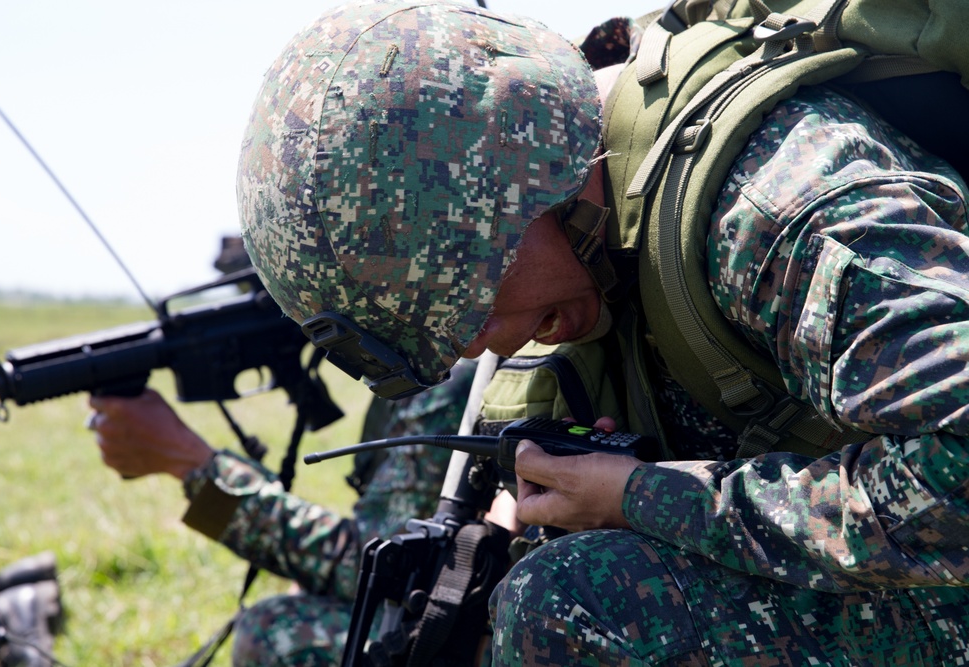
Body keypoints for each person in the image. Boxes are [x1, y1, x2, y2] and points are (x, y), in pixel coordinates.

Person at [233, 0, 969, 665]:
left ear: (519, 187)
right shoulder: (601, 227)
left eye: (471, 303)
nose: (488, 343)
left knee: (572, 602)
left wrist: (647, 496)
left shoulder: (770, 207)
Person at [87, 358, 477, 666]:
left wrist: (195, 465)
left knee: (273, 632)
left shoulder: (451, 377)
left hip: (480, 632)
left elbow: (374, 567)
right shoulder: (429, 365)